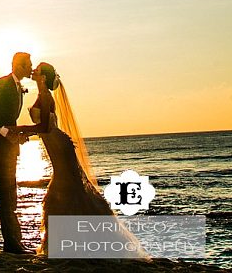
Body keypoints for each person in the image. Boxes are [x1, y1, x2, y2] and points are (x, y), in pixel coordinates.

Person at [12, 61, 148, 257]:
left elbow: (45, 128)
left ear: (43, 77)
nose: (34, 71)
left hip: (59, 145)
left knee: (67, 188)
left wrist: (19, 129)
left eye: (38, 70)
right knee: (66, 188)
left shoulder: (46, 96)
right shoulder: (41, 95)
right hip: (56, 143)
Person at [0, 50, 32, 253]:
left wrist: (16, 135)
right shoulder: (1, 84)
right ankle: (12, 244)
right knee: (5, 191)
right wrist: (7, 134)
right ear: (18, 66)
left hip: (9, 143)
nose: (31, 68)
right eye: (28, 64)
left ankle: (14, 241)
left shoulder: (18, 86)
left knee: (11, 190)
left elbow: (10, 118)